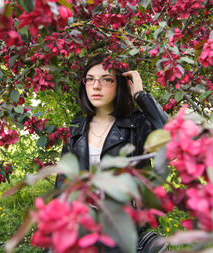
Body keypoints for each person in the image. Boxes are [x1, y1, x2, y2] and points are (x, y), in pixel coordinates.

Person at [55, 54, 168, 253]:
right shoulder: (75, 128)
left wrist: (141, 96)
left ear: (120, 85)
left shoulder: (136, 124)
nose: (96, 86)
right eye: (90, 79)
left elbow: (170, 140)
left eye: (106, 79)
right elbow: (62, 184)